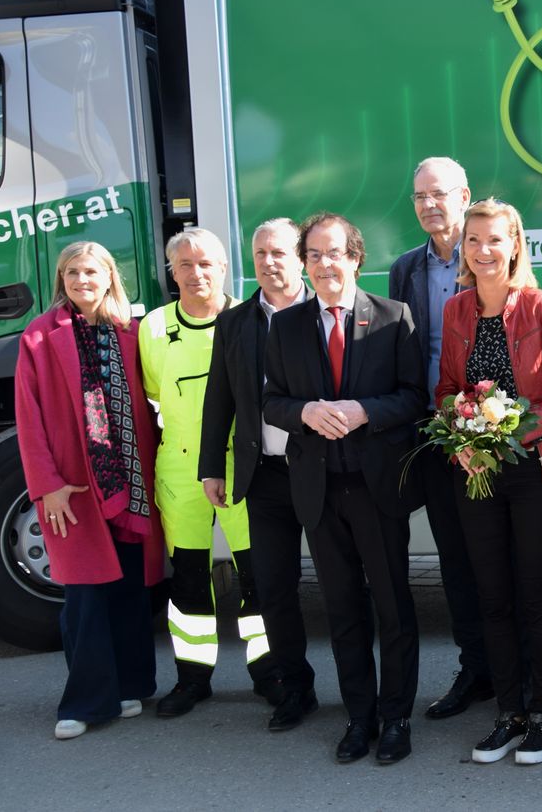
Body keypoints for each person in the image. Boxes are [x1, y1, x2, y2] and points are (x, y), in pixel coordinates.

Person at [262, 212, 428, 765]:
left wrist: (364, 411)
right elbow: (271, 401)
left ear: (356, 258)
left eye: (335, 253)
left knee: (393, 608)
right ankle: (360, 718)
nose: (325, 264)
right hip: (318, 490)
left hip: (376, 488)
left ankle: (396, 717)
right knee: (342, 611)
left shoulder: (392, 317)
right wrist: (305, 410)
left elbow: (412, 397)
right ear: (304, 264)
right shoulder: (285, 325)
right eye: (314, 255)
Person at [437, 199, 542, 765]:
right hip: (476, 468)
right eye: (473, 241)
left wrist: (510, 431)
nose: (483, 250)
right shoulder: (455, 311)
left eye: (494, 239)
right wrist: (467, 441)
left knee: (535, 595)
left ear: (515, 244)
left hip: (534, 467)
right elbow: (448, 388)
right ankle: (509, 713)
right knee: (492, 597)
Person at [15, 242, 166, 740]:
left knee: (126, 588)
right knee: (83, 594)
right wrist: (48, 486)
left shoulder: (132, 331)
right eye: (74, 272)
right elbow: (29, 418)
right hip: (73, 487)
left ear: (109, 277)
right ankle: (82, 702)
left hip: (131, 478)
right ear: (62, 278)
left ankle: (127, 686)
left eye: (92, 271)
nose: (83, 280)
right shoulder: (40, 335)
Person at [140, 228, 280, 717]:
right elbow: (155, 390)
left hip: (241, 469)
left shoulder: (249, 320)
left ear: (224, 268)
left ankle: (268, 673)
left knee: (255, 576)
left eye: (207, 264)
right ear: (171, 272)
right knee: (190, 582)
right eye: (185, 265)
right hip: (180, 472)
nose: (196, 274)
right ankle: (192, 679)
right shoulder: (153, 327)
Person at [199, 218, 317, 732]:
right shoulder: (236, 322)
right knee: (272, 587)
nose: (270, 262)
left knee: (345, 585)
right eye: (261, 253)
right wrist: (211, 468)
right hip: (264, 477)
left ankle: (367, 693)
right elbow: (218, 398)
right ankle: (297, 687)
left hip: (325, 473)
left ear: (301, 258)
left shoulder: (327, 314)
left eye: (280, 252)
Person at [387, 156, 493, 719]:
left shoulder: (489, 253)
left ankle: (513, 665)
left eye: (440, 194)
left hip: (488, 433)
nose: (430, 204)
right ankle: (475, 667)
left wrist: (490, 424)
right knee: (453, 558)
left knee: (494, 555)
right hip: (432, 436)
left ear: (464, 195)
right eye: (420, 196)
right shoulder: (406, 269)